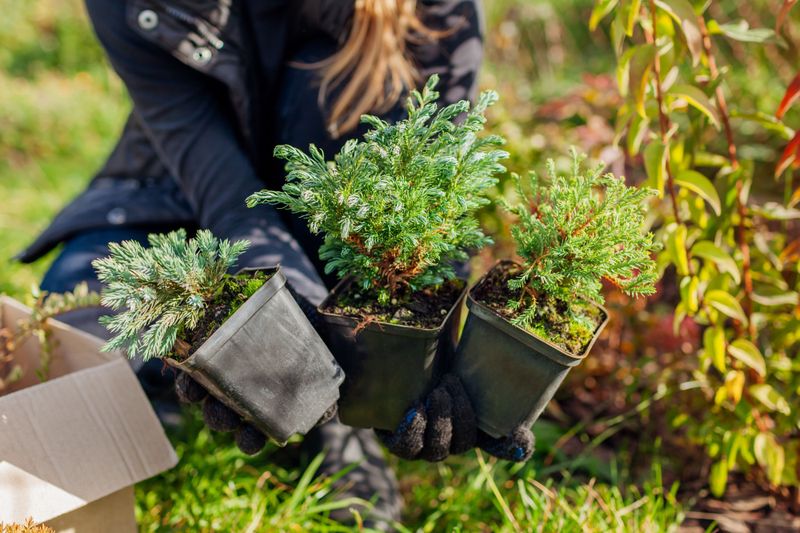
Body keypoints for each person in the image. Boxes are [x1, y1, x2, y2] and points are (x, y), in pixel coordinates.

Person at [18, 0, 531, 526]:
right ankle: (186, 385)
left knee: (325, 88)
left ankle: (337, 423)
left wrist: (419, 349)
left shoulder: (434, 9)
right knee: (74, 340)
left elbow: (430, 197)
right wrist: (284, 316)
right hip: (176, 195)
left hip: (338, 226)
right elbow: (225, 190)